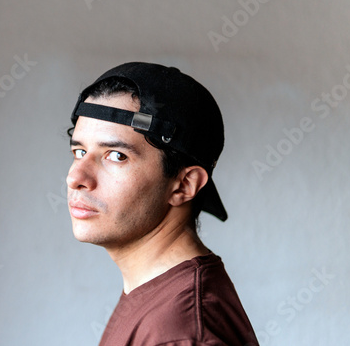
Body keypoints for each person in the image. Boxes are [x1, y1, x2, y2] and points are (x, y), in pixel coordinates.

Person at [66, 62, 258, 346]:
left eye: (116, 156)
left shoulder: (180, 333)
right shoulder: (154, 294)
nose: (76, 177)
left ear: (184, 185)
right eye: (79, 151)